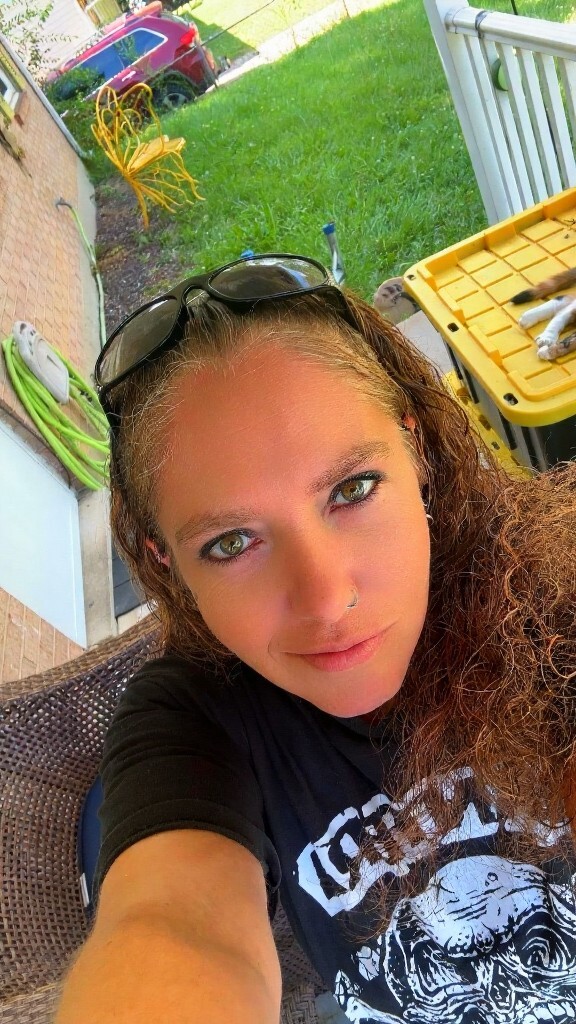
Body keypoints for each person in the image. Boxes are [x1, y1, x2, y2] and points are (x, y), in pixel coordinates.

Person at [56, 253, 576, 1024]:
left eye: (352, 489)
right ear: (166, 562)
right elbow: (174, 929)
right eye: (231, 542)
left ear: (417, 450)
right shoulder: (194, 722)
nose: (328, 600)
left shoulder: (547, 593)